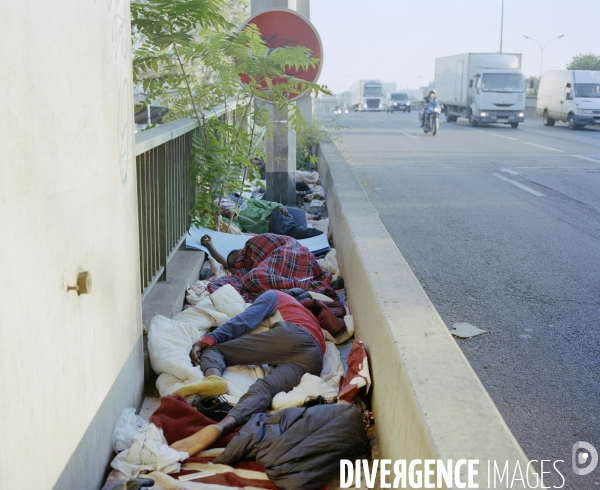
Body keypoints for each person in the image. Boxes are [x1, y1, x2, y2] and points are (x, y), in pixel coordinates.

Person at [170, 289, 325, 456]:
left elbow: (243, 322)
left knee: (214, 350)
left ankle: (214, 379)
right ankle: (223, 426)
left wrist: (206, 341)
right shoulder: (312, 321)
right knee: (265, 389)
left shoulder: (274, 295)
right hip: (314, 360)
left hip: (293, 337)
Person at [201, 233, 338, 301]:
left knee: (251, 280)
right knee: (255, 277)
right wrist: (210, 245)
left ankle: (301, 284)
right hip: (303, 255)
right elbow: (226, 263)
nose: (236, 264)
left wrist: (210, 245)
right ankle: (304, 283)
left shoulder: (252, 245)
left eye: (235, 261)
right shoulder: (256, 258)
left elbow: (226, 263)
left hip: (291, 251)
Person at [220, 197, 324, 240]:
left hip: (275, 217)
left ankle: (322, 236)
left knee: (293, 231)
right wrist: (226, 219)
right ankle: (316, 234)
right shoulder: (237, 223)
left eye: (228, 209)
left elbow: (267, 204)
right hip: (270, 230)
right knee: (291, 239)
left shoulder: (247, 204)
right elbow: (233, 229)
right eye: (225, 213)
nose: (228, 213)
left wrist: (278, 206)